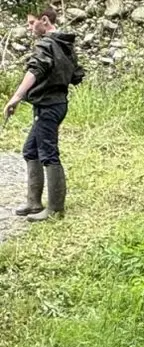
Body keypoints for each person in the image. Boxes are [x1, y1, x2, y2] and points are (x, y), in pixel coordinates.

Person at [5, 8, 82, 223]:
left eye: (32, 23)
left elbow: (35, 70)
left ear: (44, 20)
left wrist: (16, 97)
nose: (29, 27)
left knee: (48, 154)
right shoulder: (64, 44)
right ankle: (34, 203)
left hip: (49, 106)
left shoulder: (47, 44)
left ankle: (55, 209)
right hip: (56, 103)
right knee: (31, 150)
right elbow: (75, 75)